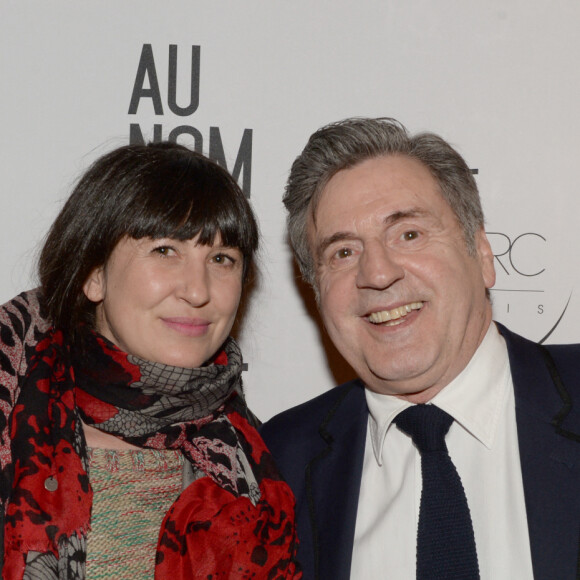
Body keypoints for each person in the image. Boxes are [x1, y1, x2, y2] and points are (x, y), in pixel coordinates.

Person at [260, 118, 580, 580]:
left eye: (408, 234)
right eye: (343, 253)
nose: (378, 272)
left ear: (483, 254)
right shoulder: (280, 464)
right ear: (315, 290)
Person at [0, 142, 301, 579]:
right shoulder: (12, 403)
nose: (198, 291)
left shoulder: (255, 465)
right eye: (165, 250)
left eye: (221, 259)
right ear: (94, 273)